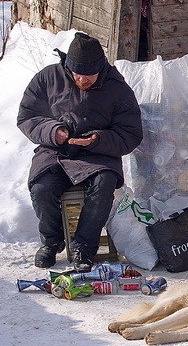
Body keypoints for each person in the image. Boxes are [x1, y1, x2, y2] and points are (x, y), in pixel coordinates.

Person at [17, 32, 143, 271]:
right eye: (78, 75)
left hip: (98, 154)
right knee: (41, 187)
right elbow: (28, 117)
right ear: (68, 67)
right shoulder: (48, 78)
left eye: (90, 76)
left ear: (101, 69)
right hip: (55, 150)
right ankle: (52, 242)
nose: (83, 81)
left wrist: (98, 139)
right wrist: (53, 131)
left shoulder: (117, 88)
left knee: (104, 183)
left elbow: (131, 134)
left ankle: (84, 247)